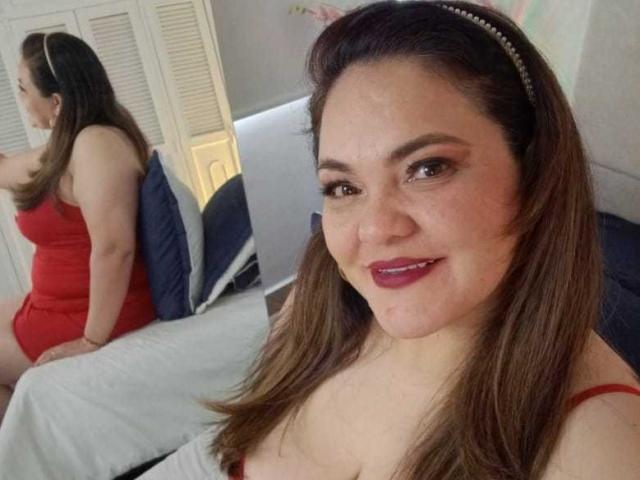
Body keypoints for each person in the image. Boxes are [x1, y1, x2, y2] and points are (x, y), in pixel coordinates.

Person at [207, 2, 640, 479]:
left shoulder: (600, 448)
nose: (375, 229)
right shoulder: (316, 300)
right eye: (344, 187)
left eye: (428, 168)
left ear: (535, 170)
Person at [0, 32, 156, 422]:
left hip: (92, 313)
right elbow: (7, 170)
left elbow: (114, 248)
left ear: (55, 101)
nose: (21, 98)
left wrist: (90, 340)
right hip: (57, 303)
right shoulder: (71, 144)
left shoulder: (97, 145)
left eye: (23, 88)